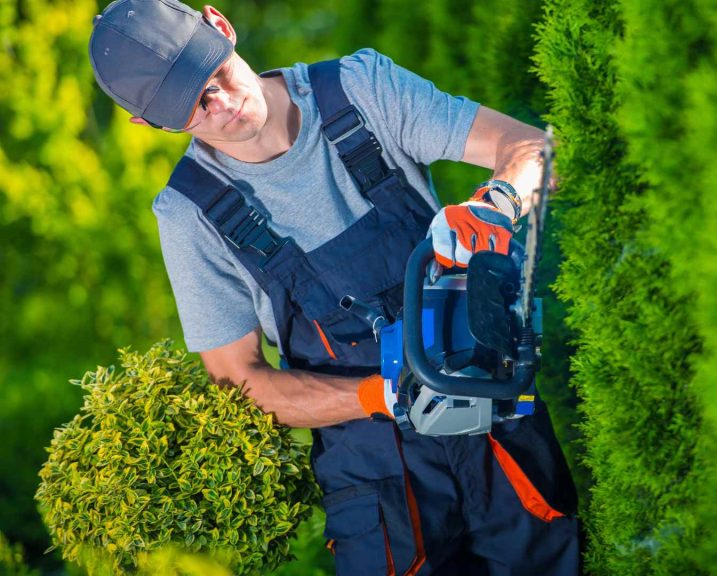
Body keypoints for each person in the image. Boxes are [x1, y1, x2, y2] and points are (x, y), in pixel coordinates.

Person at [88, 0, 579, 574]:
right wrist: (378, 396)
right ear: (151, 124)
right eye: (194, 106)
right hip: (375, 476)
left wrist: (497, 205)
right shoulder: (189, 213)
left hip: (492, 411)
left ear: (220, 26)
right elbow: (241, 385)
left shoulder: (358, 89)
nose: (221, 104)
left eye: (212, 74)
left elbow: (535, 149)